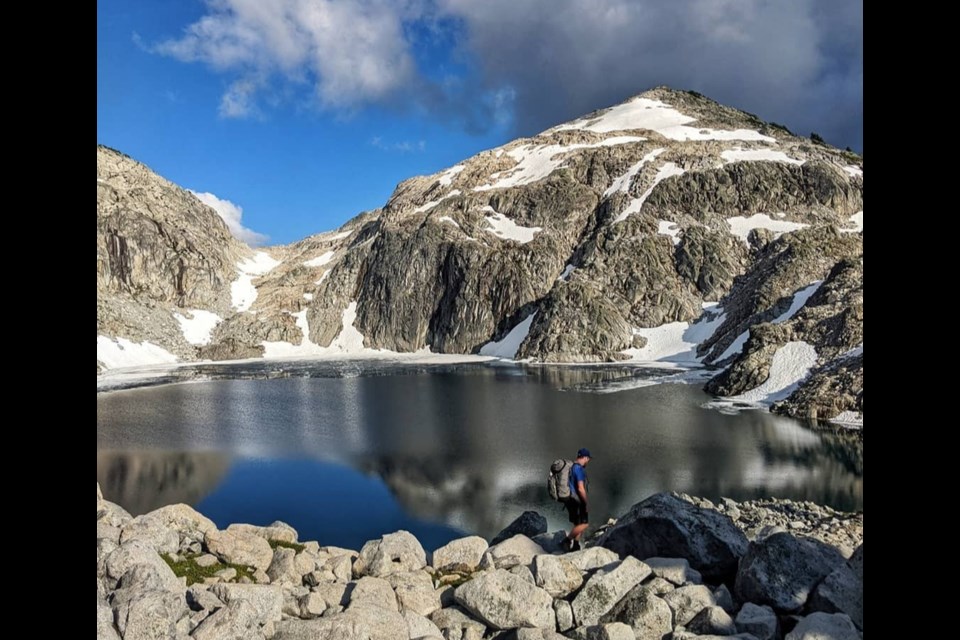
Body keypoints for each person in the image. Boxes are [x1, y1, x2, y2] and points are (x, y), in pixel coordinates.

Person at [562, 448, 591, 552]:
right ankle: (567, 540)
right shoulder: (579, 469)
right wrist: (586, 503)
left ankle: (576, 545)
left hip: (569, 499)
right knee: (584, 524)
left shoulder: (572, 467)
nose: (588, 461)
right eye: (588, 459)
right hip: (576, 500)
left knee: (577, 524)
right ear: (585, 457)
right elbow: (580, 488)